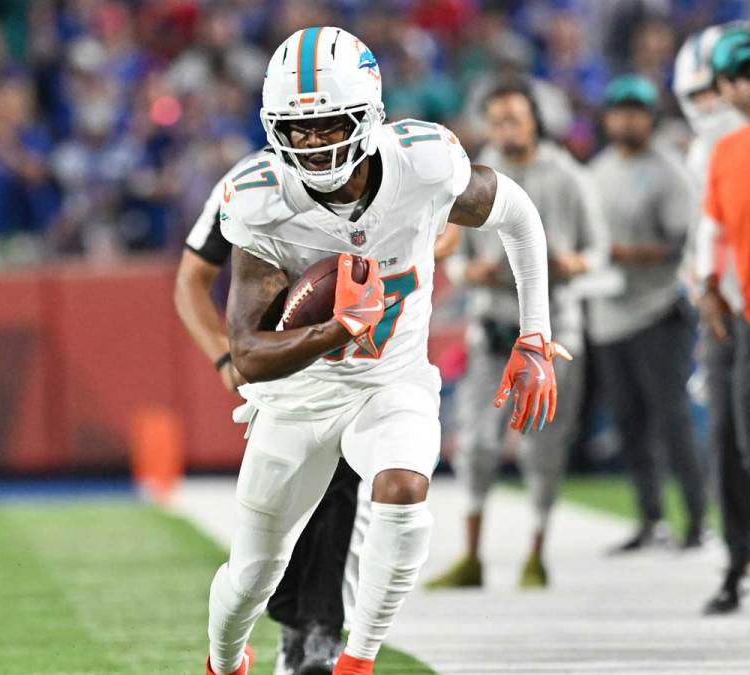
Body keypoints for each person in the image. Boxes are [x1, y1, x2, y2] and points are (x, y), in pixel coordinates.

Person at [204, 28, 567, 675]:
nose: (313, 143)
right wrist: (333, 331)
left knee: (403, 490)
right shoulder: (263, 199)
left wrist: (533, 333)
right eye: (298, 128)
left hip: (391, 382)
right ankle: (223, 659)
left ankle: (357, 662)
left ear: (367, 115)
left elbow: (517, 212)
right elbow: (249, 351)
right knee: (253, 573)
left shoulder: (422, 162)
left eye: (327, 124)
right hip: (298, 395)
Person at [176, 156, 364, 675]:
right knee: (278, 517)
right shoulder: (249, 185)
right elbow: (190, 280)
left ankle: (318, 633)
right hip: (283, 371)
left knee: (343, 490)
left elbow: (439, 231)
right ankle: (292, 629)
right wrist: (224, 356)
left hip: (361, 365)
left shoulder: (380, 167)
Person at [427, 81, 607, 590]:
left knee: (542, 446)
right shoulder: (470, 175)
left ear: (535, 120)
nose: (506, 128)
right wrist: (468, 274)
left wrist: (576, 263)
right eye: (498, 119)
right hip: (493, 323)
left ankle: (536, 551)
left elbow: (598, 251)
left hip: (554, 325)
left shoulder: (568, 175)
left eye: (515, 118)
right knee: (477, 444)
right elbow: (454, 256)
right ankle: (472, 554)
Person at [587, 75, 707, 552]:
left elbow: (683, 244)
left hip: (657, 310)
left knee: (671, 420)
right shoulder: (597, 170)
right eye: (619, 112)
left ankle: (697, 521)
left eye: (636, 112)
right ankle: (650, 518)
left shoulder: (669, 171)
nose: (627, 120)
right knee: (629, 423)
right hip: (608, 310)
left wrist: (625, 252)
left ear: (650, 117)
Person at [697, 25, 750, 612]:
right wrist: (709, 286)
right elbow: (711, 226)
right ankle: (737, 564)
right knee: (734, 444)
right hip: (738, 314)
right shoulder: (727, 149)